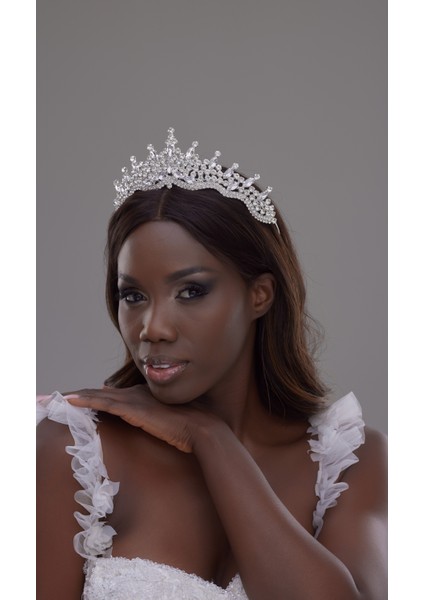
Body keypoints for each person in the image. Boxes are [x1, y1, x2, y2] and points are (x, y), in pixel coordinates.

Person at [37, 128, 387, 600]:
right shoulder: (73, 451)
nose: (152, 328)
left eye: (191, 291)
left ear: (259, 294)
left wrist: (211, 439)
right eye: (133, 296)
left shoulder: (349, 463)